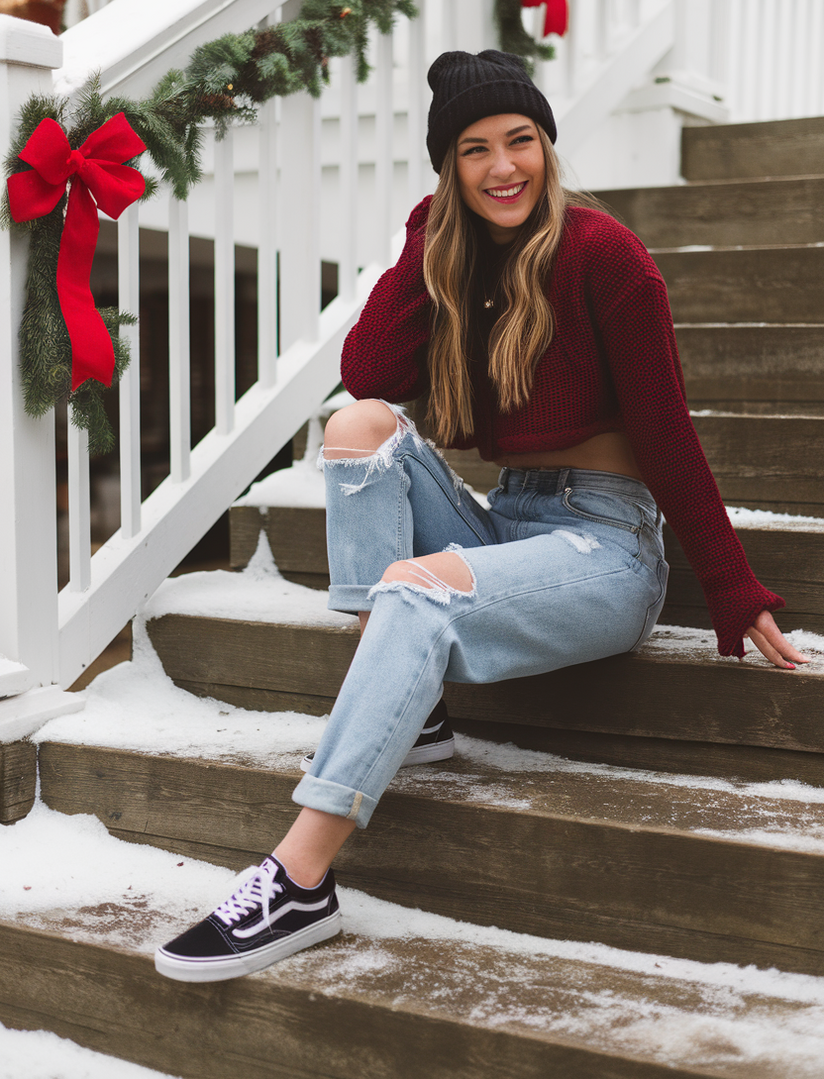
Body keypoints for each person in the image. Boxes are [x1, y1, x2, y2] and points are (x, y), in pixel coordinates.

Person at [155, 49, 809, 983]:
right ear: (449, 168)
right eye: (474, 151)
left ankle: (299, 880)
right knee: (359, 428)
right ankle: (411, 716)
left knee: (418, 595)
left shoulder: (605, 256)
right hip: (509, 522)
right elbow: (373, 367)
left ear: (546, 145)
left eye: (521, 141)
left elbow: (668, 434)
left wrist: (732, 584)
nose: (504, 167)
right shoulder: (455, 257)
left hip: (606, 544)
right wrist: (431, 236)